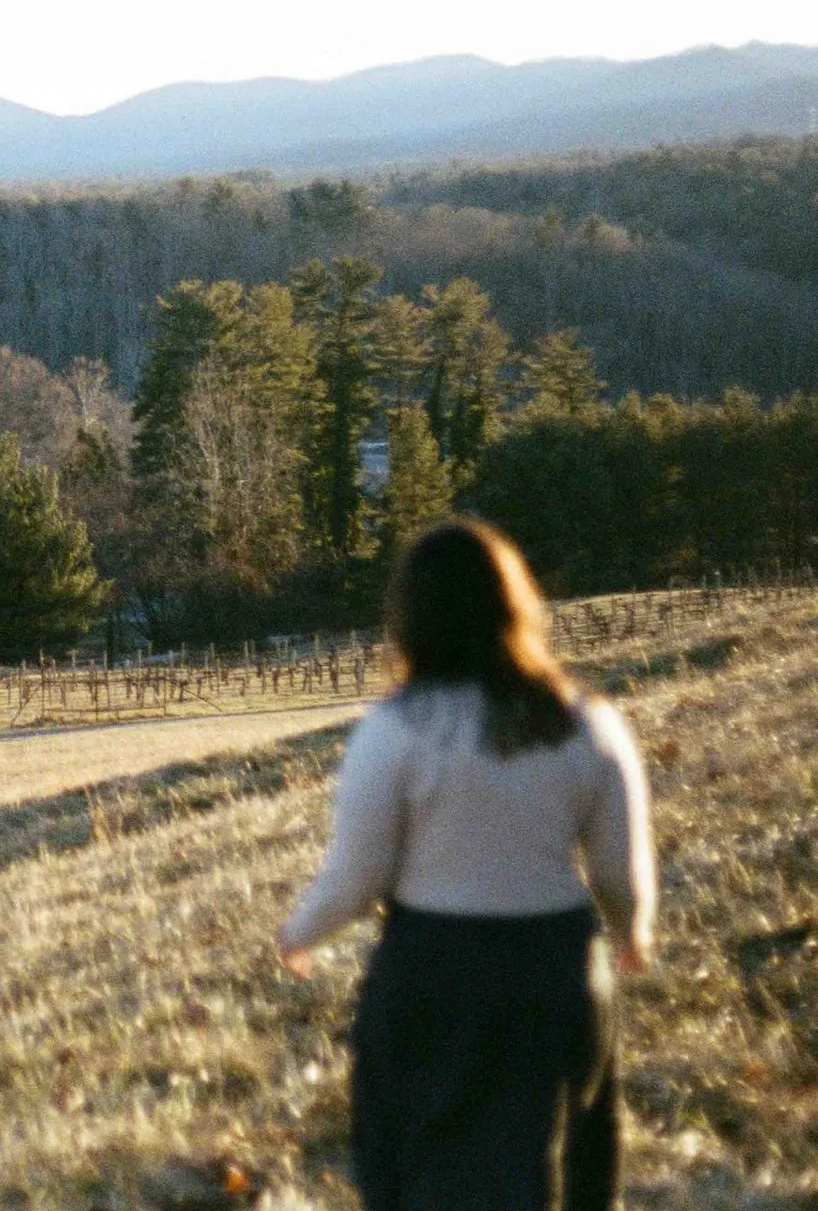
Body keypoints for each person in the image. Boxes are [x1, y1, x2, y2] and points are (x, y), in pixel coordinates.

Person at [277, 517, 655, 1211]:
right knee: (577, 1151)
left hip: (433, 970)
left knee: (412, 1159)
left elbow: (358, 877)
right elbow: (619, 873)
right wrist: (631, 933)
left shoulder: (396, 730)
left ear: (409, 620)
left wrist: (301, 932)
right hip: (558, 963)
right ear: (519, 604)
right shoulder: (587, 721)